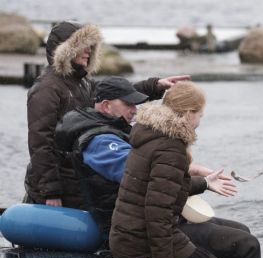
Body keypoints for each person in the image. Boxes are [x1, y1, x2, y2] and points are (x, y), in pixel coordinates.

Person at [56, 78, 261, 258]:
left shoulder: (140, 133)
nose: (135, 110)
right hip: (140, 234)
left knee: (241, 232)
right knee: (242, 249)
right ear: (189, 113)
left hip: (143, 227)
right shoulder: (108, 141)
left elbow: (159, 187)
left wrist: (204, 182)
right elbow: (157, 207)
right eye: (200, 115)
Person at [24, 20, 189, 208]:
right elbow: (40, 144)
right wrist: (51, 192)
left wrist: (154, 86)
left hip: (79, 175)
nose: (88, 50)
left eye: (91, 46)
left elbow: (114, 98)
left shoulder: (82, 82)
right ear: (66, 50)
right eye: (83, 45)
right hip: (59, 185)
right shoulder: (46, 89)